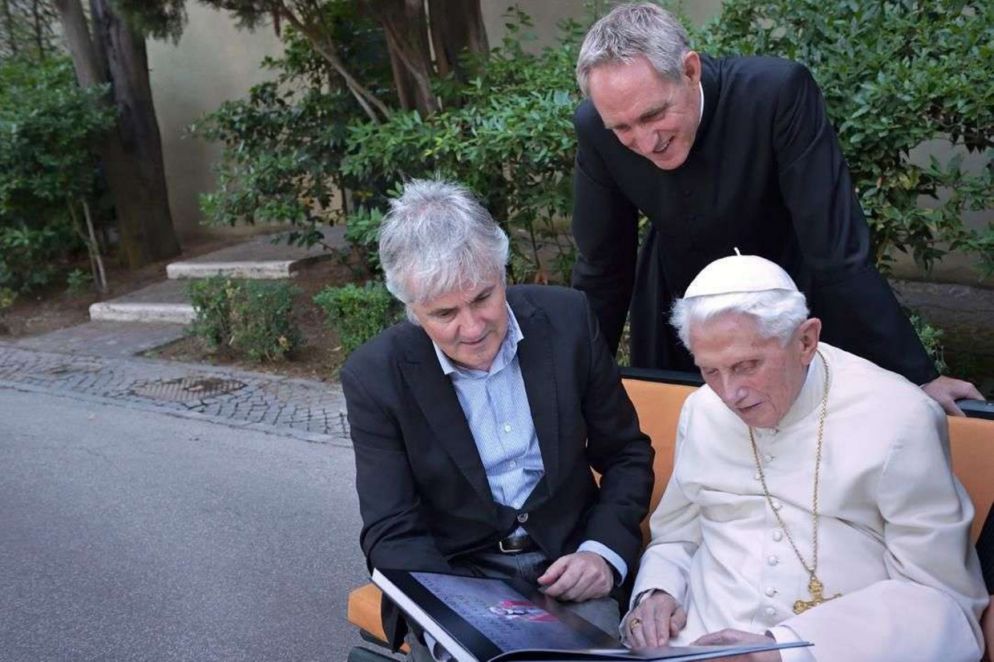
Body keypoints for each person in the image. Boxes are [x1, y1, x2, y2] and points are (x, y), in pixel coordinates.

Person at [570, 2, 982, 415]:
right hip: (681, 297)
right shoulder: (594, 126)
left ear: (690, 70)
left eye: (654, 115)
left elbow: (837, 251)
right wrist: (577, 384)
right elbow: (603, 268)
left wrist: (916, 377)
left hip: (790, 289)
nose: (644, 142)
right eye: (622, 128)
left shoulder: (777, 93)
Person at [341, 179, 654, 660]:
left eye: (484, 298)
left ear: (502, 270)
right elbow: (390, 531)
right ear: (412, 310)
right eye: (445, 313)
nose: (472, 327)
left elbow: (627, 455)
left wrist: (602, 552)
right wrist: (458, 606)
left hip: (569, 564)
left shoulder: (567, 320)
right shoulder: (375, 375)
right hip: (457, 577)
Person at [623, 253, 988, 661]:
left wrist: (782, 650)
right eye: (710, 371)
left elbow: (942, 601)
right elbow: (678, 536)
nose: (730, 394)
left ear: (805, 341)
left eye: (747, 366)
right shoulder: (702, 410)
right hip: (693, 646)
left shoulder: (900, 418)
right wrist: (658, 590)